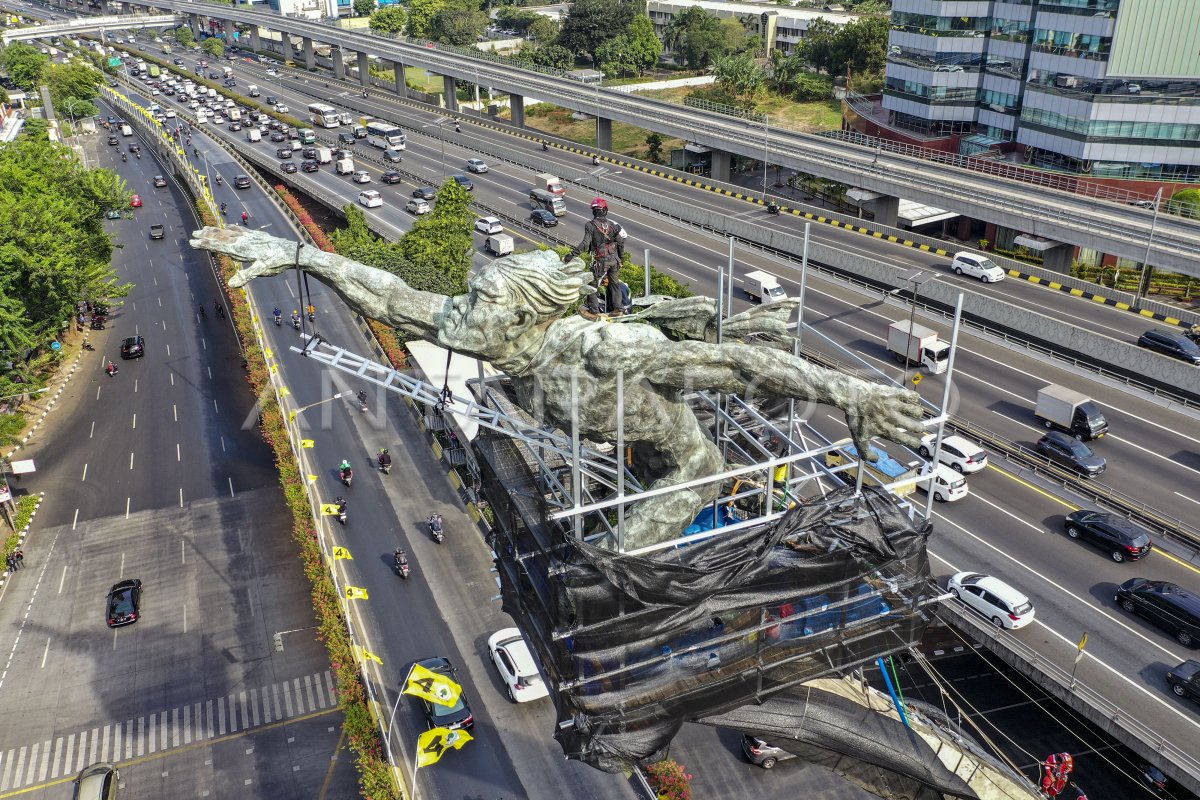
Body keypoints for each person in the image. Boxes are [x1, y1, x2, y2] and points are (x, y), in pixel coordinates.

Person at [199, 228, 923, 550]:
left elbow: (741, 367)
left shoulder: (604, 347)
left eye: (479, 304)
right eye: (471, 300)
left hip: (667, 445)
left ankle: (619, 578)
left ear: (521, 313)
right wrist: (295, 252)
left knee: (653, 517)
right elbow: (391, 297)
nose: (459, 315)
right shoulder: (495, 333)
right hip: (611, 438)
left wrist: (850, 393)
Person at [569, 198, 626, 318]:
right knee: (614, 283)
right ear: (605, 211)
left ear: (593, 211)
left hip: (601, 260)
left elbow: (585, 243)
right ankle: (618, 308)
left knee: (592, 284)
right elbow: (620, 242)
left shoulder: (590, 225)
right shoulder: (612, 225)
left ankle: (593, 310)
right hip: (614, 259)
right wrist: (621, 259)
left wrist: (572, 254)